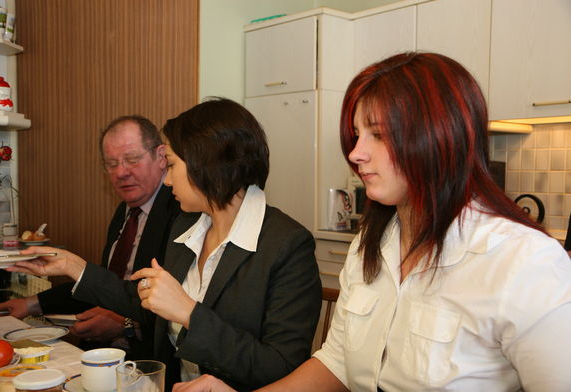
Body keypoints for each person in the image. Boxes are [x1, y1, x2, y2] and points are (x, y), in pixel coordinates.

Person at [169, 53, 571, 392]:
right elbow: (339, 359)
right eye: (356, 134)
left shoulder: (524, 261)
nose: (356, 153)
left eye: (377, 135)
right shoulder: (371, 243)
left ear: (438, 136)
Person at [9, 97, 322, 391]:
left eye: (171, 165)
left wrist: (188, 312)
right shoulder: (189, 224)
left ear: (206, 163)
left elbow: (281, 369)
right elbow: (147, 301)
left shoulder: (287, 245)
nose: (168, 180)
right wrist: (73, 266)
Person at [0, 115, 180, 359]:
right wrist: (31, 303)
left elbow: (179, 301)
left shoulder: (180, 212)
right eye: (111, 164)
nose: (121, 173)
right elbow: (102, 283)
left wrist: (125, 324)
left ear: (160, 157)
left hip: (151, 361)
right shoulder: (126, 210)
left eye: (132, 160)